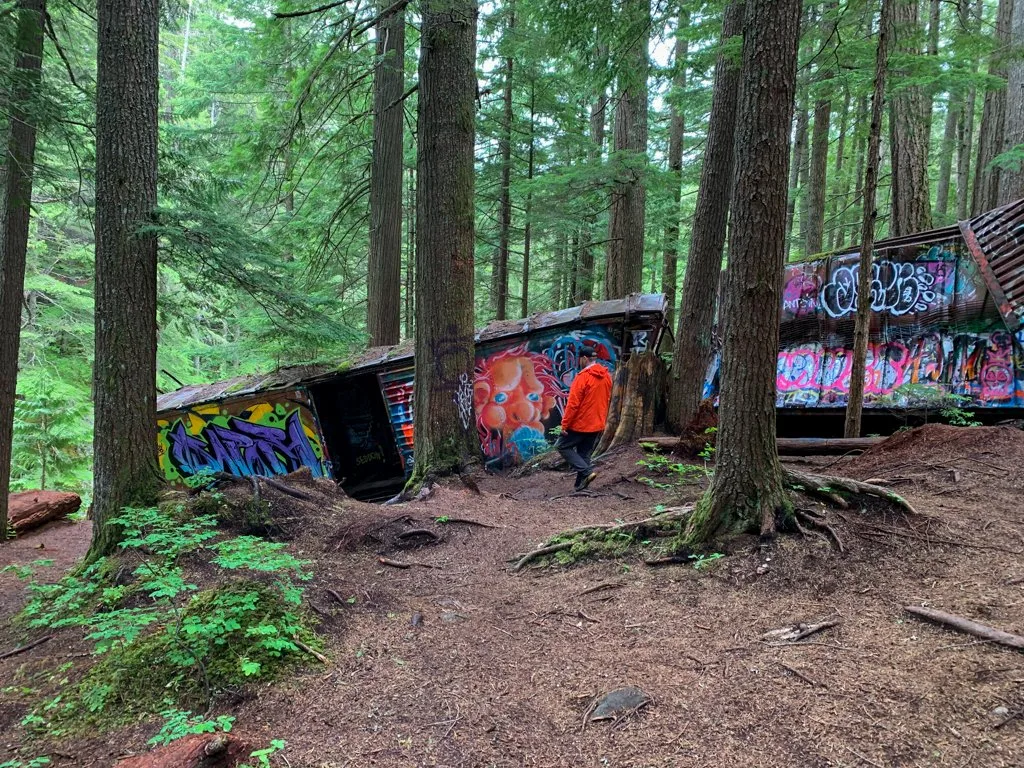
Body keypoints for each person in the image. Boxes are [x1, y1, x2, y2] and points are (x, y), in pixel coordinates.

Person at [556, 351, 613, 491]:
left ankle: (587, 472)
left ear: (584, 358)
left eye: (579, 359)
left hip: (581, 423)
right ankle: (580, 486)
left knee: (561, 446)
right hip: (597, 423)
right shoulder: (606, 376)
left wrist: (565, 425)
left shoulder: (582, 377)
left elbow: (573, 404)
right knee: (584, 453)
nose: (578, 362)